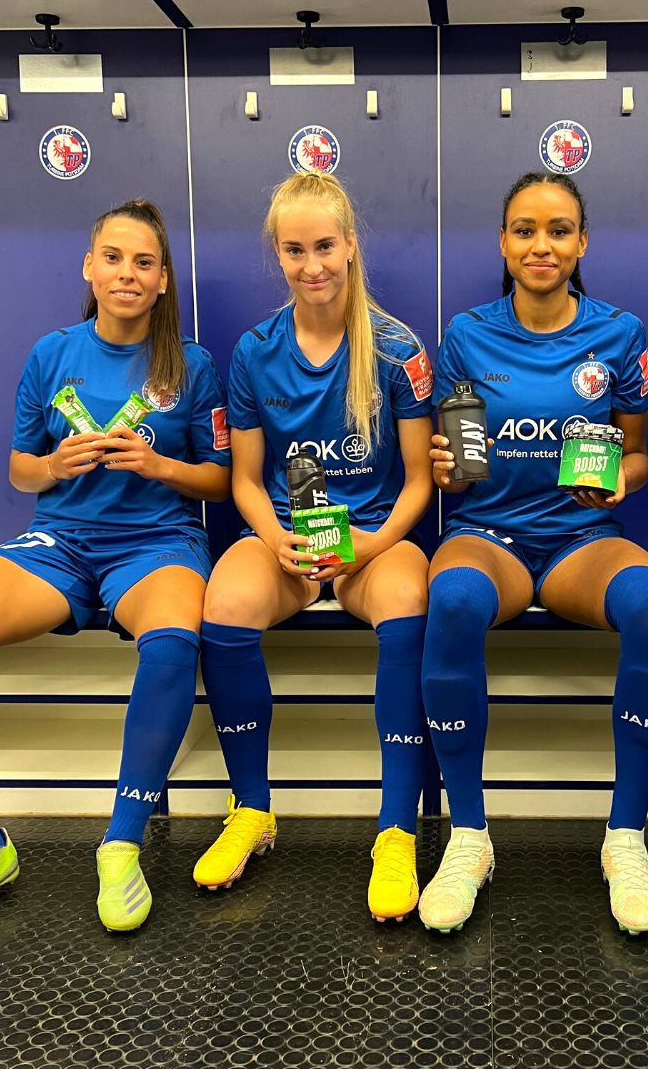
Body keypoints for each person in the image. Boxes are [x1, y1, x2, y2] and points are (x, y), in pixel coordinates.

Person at [0, 199, 231, 933]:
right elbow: (19, 469)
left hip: (157, 543)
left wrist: (159, 465)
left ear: (163, 279)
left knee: (174, 639)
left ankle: (121, 842)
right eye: (113, 258)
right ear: (89, 266)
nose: (127, 274)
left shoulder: (192, 365)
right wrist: (54, 464)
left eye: (144, 262)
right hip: (63, 542)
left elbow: (220, 479)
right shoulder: (52, 354)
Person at [420, 172, 648, 934]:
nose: (542, 245)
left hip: (580, 540)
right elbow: (453, 460)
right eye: (525, 230)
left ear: (581, 243)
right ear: (503, 242)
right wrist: (445, 470)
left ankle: (625, 839)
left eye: (559, 230)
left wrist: (621, 482)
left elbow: (638, 456)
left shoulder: (619, 333)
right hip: (488, 534)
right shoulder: (466, 334)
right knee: (452, 601)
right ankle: (469, 837)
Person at [193, 171, 435, 923]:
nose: (312, 265)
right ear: (279, 254)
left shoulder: (396, 348)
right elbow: (244, 481)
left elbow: (420, 482)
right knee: (225, 603)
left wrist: (372, 543)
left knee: (408, 597)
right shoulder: (255, 351)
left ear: (351, 245)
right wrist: (278, 541)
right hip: (287, 540)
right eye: (294, 250)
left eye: (325, 246)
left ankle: (396, 829)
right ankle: (251, 810)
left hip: (372, 538)